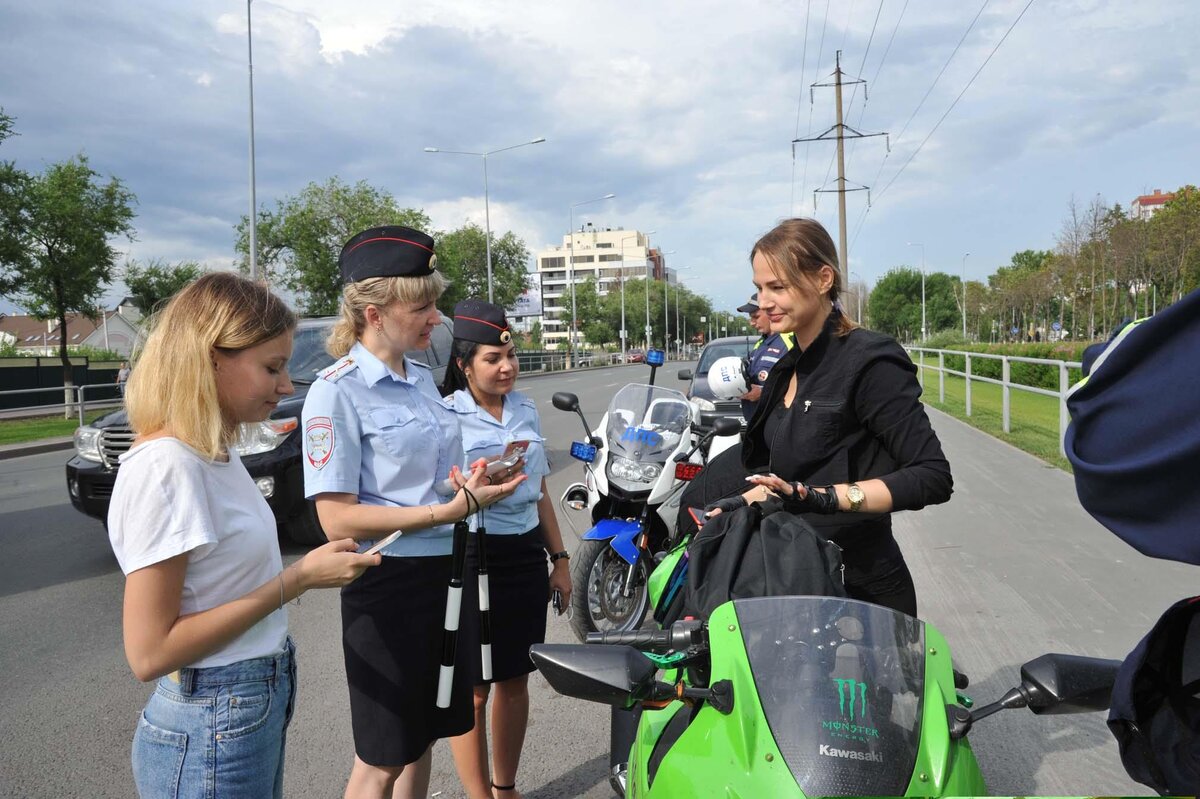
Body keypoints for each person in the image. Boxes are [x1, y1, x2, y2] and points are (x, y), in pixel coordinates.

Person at [108, 272, 380, 799]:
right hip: (213, 712)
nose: (286, 386)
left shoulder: (215, 452)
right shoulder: (167, 466)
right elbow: (149, 652)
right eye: (272, 367)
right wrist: (297, 579)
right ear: (210, 358)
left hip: (248, 698)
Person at [301, 226, 525, 799]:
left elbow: (435, 481)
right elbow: (337, 521)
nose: (436, 317)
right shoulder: (336, 391)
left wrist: (474, 482)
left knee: (423, 737)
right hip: (389, 583)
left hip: (446, 572)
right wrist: (443, 511)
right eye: (423, 305)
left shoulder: (422, 379)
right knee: (382, 756)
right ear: (375, 313)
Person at [707, 218, 953, 617]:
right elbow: (787, 476)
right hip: (793, 575)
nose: (763, 302)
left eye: (778, 287)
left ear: (823, 279)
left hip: (863, 589)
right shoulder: (787, 367)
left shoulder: (870, 361)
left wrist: (823, 497)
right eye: (759, 288)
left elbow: (931, 476)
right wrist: (740, 501)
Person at [437, 298, 572, 799]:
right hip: (472, 554)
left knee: (515, 678)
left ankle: (505, 786)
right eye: (492, 359)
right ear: (463, 365)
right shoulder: (446, 416)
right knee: (474, 689)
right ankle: (478, 795)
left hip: (521, 557)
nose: (507, 367)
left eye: (509, 355)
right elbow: (437, 497)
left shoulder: (525, 408)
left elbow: (539, 494)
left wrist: (559, 561)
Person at [736, 293, 794, 420]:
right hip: (755, 421)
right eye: (750, 318)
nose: (752, 323)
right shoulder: (760, 343)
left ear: (771, 312)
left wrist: (763, 393)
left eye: (756, 317)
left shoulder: (791, 341)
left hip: (778, 421)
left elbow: (803, 384)